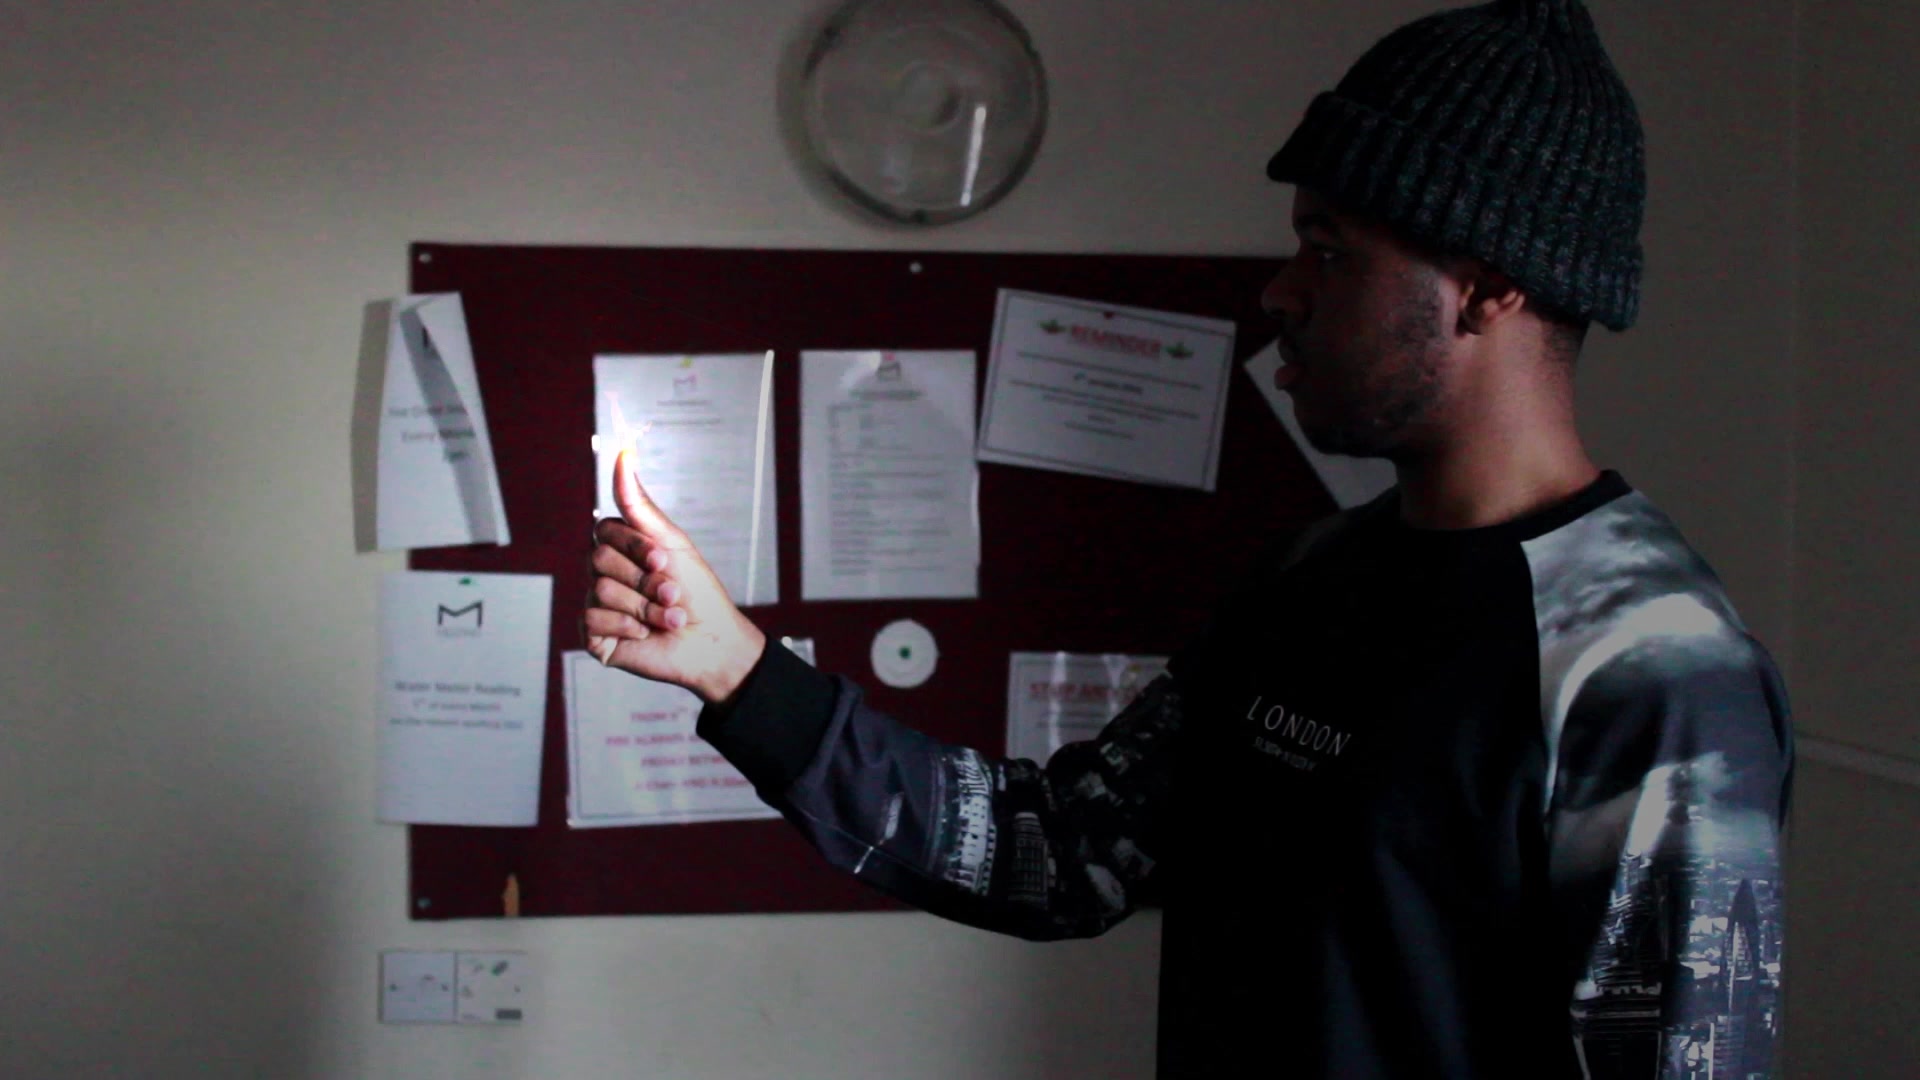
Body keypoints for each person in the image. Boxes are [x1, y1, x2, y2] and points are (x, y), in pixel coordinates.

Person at [582, 1, 1794, 1076]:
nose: (1282, 290)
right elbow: (1061, 852)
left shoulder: (1650, 671)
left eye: (1332, 250)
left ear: (1486, 285)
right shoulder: (1312, 578)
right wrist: (736, 668)